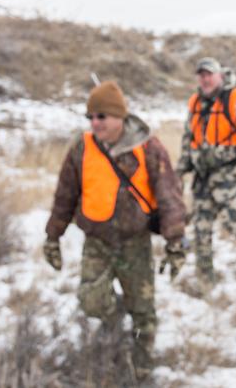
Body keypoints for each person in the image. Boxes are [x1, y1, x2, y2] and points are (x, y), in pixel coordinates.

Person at [43, 80, 186, 379]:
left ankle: (142, 363)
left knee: (143, 310)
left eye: (101, 116)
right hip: (97, 242)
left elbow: (169, 196)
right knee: (91, 300)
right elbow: (65, 195)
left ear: (119, 116)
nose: (95, 123)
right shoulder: (81, 148)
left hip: (136, 242)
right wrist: (53, 237)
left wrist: (175, 243)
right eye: (90, 117)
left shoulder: (148, 147)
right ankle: (113, 319)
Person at [176, 57, 236, 286]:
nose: (205, 79)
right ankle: (205, 278)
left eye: (209, 74)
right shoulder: (195, 102)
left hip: (229, 177)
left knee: (235, 224)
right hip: (202, 177)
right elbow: (188, 138)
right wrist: (180, 170)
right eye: (201, 75)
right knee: (200, 228)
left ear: (219, 75)